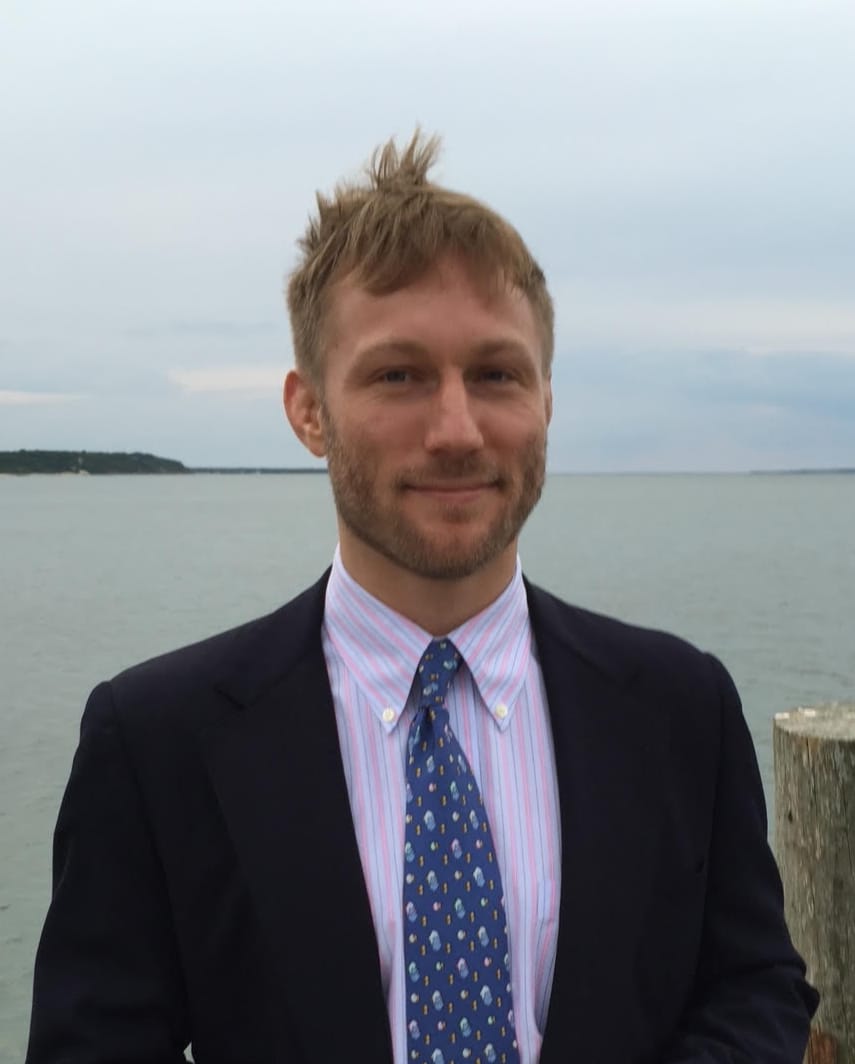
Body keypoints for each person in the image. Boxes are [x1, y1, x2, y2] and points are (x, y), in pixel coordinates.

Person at [27, 132, 818, 1064]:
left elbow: (752, 984)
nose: (455, 429)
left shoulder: (680, 706)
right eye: (398, 375)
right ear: (308, 409)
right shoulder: (158, 740)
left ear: (547, 399)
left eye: (495, 374)